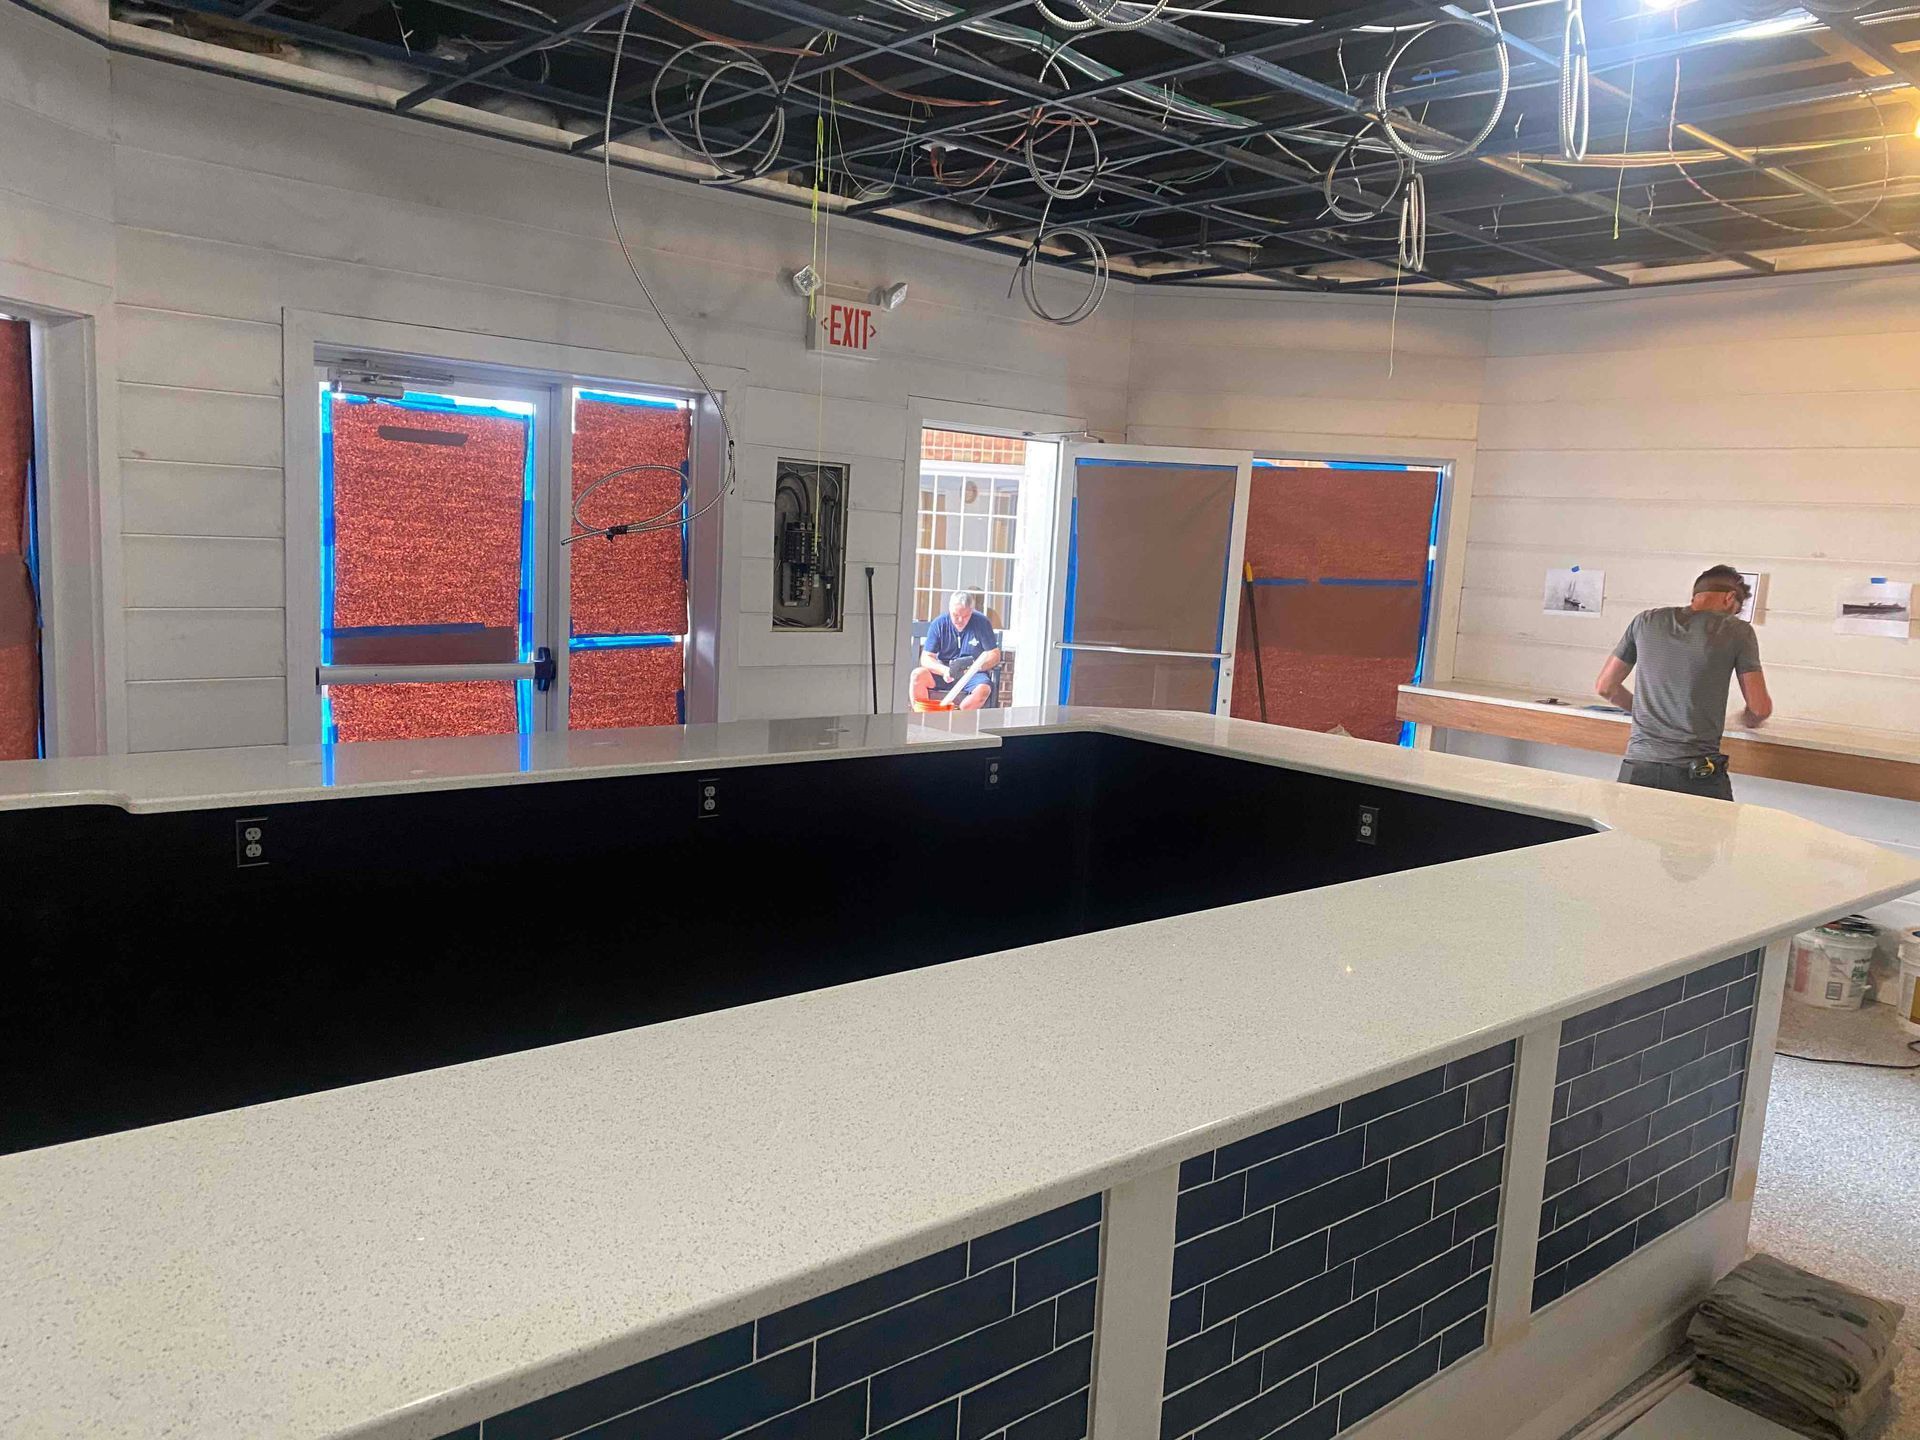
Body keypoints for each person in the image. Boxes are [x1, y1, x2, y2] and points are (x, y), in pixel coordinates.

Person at [1594, 565, 1772, 801]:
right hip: (1694, 774)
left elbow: (1605, 687)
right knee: (1712, 837)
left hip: (1638, 767)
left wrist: (1650, 710)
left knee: (1632, 836)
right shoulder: (1737, 631)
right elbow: (1760, 709)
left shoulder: (1645, 621)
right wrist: (1747, 719)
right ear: (1730, 599)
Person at [912, 590, 1001, 710]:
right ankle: (924, 718)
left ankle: (959, 719)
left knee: (983, 689)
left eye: (965, 616)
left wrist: (977, 667)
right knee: (917, 675)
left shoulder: (982, 623)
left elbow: (994, 655)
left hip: (972, 674)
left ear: (971, 611)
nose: (960, 620)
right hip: (944, 671)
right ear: (949, 609)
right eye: (955, 615)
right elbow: (926, 658)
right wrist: (944, 670)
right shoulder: (939, 623)